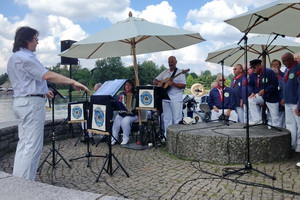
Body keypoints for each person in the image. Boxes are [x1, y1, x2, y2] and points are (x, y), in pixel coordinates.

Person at [7, 26, 90, 181]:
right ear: (27, 39)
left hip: (23, 102)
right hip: (31, 105)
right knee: (32, 146)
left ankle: (17, 181)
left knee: (24, 144)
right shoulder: (26, 58)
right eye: (35, 38)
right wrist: (73, 81)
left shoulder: (15, 57)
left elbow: (26, 81)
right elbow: (47, 75)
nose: (38, 41)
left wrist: (44, 91)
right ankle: (24, 186)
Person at [153, 56, 186, 138]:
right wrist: (159, 83)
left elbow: (183, 85)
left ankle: (176, 137)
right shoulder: (165, 72)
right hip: (165, 97)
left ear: (176, 62)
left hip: (176, 98)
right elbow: (155, 80)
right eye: (169, 62)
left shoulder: (180, 72)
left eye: (172, 62)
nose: (170, 63)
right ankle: (167, 137)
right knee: (167, 118)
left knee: (177, 118)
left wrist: (174, 84)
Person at [248, 59, 280, 127]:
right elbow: (251, 84)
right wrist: (252, 92)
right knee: (251, 100)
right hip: (261, 96)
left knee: (275, 117)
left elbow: (275, 84)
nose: (253, 69)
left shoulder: (269, 72)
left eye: (254, 67)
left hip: (271, 96)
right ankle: (257, 120)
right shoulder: (253, 74)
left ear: (260, 65)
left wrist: (266, 90)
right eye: (251, 67)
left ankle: (278, 133)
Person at [281, 52, 300, 152]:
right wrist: (284, 97)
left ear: (290, 59)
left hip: (296, 102)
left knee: (299, 124)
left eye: (284, 61)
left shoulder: (298, 68)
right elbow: (285, 84)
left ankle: (299, 145)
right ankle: (292, 144)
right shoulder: (287, 69)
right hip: (288, 101)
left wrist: (299, 104)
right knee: (290, 124)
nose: (283, 63)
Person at [111, 79, 138, 145]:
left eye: (129, 85)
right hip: (122, 114)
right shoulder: (121, 94)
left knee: (125, 121)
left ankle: (126, 138)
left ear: (132, 86)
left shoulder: (135, 95)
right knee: (116, 121)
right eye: (126, 85)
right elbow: (116, 104)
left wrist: (134, 107)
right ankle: (114, 139)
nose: (127, 86)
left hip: (132, 115)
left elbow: (138, 106)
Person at [271, 59, 285, 128]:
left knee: (281, 120)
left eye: (276, 64)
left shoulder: (283, 75)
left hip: (281, 101)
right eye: (273, 65)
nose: (274, 66)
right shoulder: (269, 76)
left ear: (280, 66)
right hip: (271, 101)